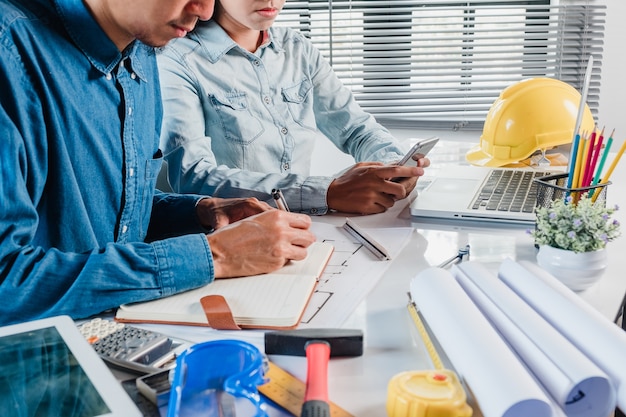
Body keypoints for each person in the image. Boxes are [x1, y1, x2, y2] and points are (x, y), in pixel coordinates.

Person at [0, 0, 317, 327]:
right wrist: (214, 256)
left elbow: (110, 212)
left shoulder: (143, 51)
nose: (206, 12)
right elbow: (5, 282)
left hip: (120, 331)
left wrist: (200, 212)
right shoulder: (9, 53)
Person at [157, 0, 430, 216]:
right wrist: (327, 192)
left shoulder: (297, 48)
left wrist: (394, 165)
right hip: (226, 235)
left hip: (304, 226)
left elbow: (357, 129)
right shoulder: (176, 59)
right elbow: (193, 176)